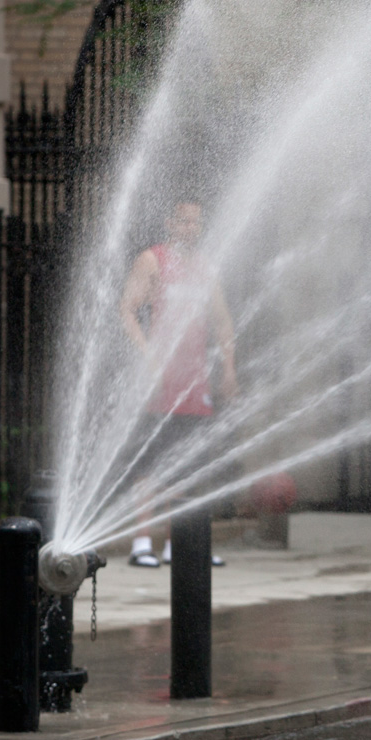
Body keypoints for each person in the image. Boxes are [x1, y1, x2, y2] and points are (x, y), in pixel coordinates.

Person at [119, 199, 237, 568]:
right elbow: (127, 309)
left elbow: (222, 322)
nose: (191, 228)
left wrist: (229, 369)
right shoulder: (152, 260)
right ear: (170, 223)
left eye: (196, 223)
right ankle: (142, 543)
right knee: (151, 461)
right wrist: (148, 356)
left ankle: (178, 544)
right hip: (160, 379)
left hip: (195, 379)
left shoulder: (206, 267)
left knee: (186, 461)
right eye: (184, 221)